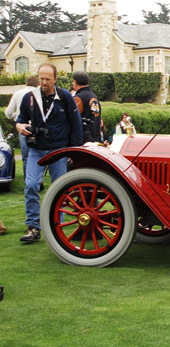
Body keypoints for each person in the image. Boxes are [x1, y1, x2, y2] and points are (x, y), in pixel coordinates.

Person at [15, 63, 82, 243]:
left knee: (59, 189)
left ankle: (57, 229)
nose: (43, 82)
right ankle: (33, 227)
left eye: (47, 79)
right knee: (30, 185)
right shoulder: (29, 98)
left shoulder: (66, 97)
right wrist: (20, 126)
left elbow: (76, 126)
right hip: (36, 149)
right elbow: (20, 120)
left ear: (55, 79)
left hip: (59, 150)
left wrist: (74, 151)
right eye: (41, 78)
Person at [5, 75, 40, 179]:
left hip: (23, 128)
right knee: (39, 155)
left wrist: (15, 116)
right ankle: (38, 179)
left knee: (26, 157)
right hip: (38, 128)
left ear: (26, 83)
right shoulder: (40, 93)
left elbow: (8, 112)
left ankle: (27, 179)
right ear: (37, 84)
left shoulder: (18, 93)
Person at [71, 71, 102, 143]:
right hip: (96, 137)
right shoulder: (94, 96)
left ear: (75, 82)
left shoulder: (79, 98)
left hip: (84, 139)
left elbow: (73, 117)